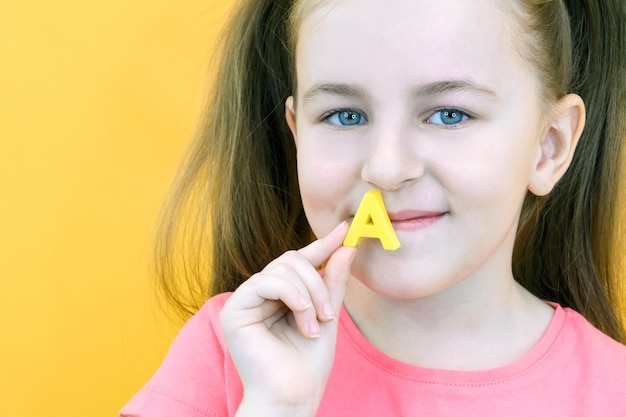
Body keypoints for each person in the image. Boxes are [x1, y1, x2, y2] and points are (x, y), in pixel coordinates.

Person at [121, 0, 626, 415]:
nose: (386, 169)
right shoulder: (231, 350)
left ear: (550, 146)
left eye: (449, 114)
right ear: (298, 135)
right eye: (345, 115)